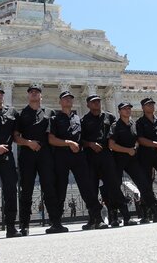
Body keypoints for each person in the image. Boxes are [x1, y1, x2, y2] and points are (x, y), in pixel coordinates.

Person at [49, 91, 108, 230]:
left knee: (87, 188)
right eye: (65, 98)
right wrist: (68, 143)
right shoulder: (55, 119)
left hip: (78, 157)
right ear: (60, 102)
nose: (68, 100)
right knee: (60, 189)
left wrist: (89, 144)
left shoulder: (78, 119)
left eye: (70, 98)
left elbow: (84, 139)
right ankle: (56, 223)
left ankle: (97, 218)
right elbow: (51, 139)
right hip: (61, 156)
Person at [13, 84, 65, 235]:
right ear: (28, 95)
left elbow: (54, 134)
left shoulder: (50, 112)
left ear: (41, 96)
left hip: (46, 154)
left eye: (37, 92)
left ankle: (55, 222)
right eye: (31, 92)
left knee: (49, 187)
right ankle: (24, 225)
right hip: (27, 155)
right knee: (26, 189)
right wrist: (28, 143)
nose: (34, 94)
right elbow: (16, 137)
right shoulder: (21, 114)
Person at [108, 102, 157, 225]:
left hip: (133, 160)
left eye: (129, 108)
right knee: (115, 186)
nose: (127, 110)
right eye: (124, 109)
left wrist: (135, 149)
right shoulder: (115, 126)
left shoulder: (134, 125)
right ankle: (118, 217)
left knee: (144, 184)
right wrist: (127, 150)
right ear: (119, 111)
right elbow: (111, 145)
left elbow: (138, 140)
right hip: (118, 159)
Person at [81, 94, 134, 227]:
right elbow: (80, 139)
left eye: (98, 101)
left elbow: (117, 133)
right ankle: (94, 219)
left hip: (106, 155)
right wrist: (90, 144)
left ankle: (126, 216)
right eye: (93, 102)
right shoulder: (84, 120)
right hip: (90, 156)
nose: (96, 104)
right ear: (87, 105)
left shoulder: (109, 117)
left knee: (114, 186)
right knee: (92, 188)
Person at [0, 85, 21, 239]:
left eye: (1, 93)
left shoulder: (12, 112)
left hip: (7, 156)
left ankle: (11, 226)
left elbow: (16, 134)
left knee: (11, 191)